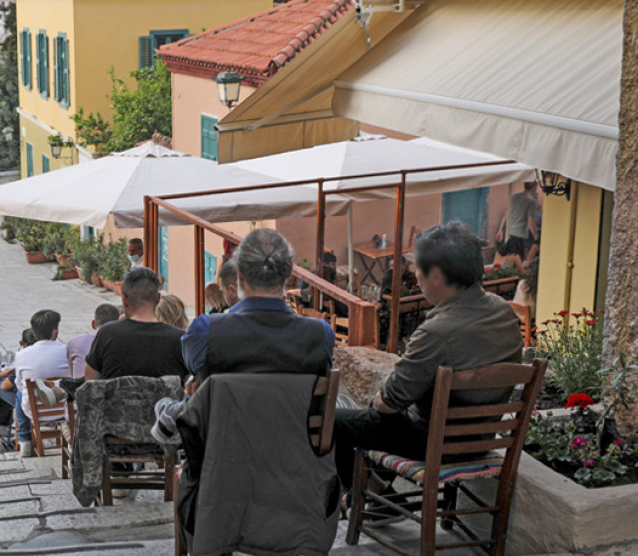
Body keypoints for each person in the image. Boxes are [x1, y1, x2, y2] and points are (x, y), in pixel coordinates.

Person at [333, 222, 523, 493]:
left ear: (435, 275)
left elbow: (388, 403)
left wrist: (378, 400)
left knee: (333, 420)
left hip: (432, 443)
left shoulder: (435, 333)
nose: (415, 277)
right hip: (480, 438)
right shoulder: (504, 312)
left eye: (417, 271)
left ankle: (379, 498)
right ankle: (377, 493)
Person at [182, 228, 335, 382]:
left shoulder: (205, 332)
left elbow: (191, 369)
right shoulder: (321, 335)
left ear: (239, 273)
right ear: (289, 271)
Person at [85, 267, 189, 381]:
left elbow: (91, 383)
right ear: (158, 299)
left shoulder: (107, 334)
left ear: (124, 300)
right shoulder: (180, 339)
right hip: (165, 399)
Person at [12, 310, 71, 457]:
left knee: (20, 392)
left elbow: (19, 384)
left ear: (34, 332)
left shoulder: (21, 355)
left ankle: (24, 440)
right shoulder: (68, 350)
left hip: (35, 411)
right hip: (64, 409)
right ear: (54, 331)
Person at [66, 304, 121, 378]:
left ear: (93, 324)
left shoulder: (74, 342)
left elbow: (72, 374)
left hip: (78, 387)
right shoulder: (122, 343)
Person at [496, 181, 540, 261]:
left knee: (509, 256)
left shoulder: (514, 197)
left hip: (511, 232)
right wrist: (537, 238)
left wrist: (500, 229)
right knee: (520, 259)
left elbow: (506, 213)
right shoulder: (531, 202)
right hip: (522, 235)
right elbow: (531, 222)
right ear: (534, 187)